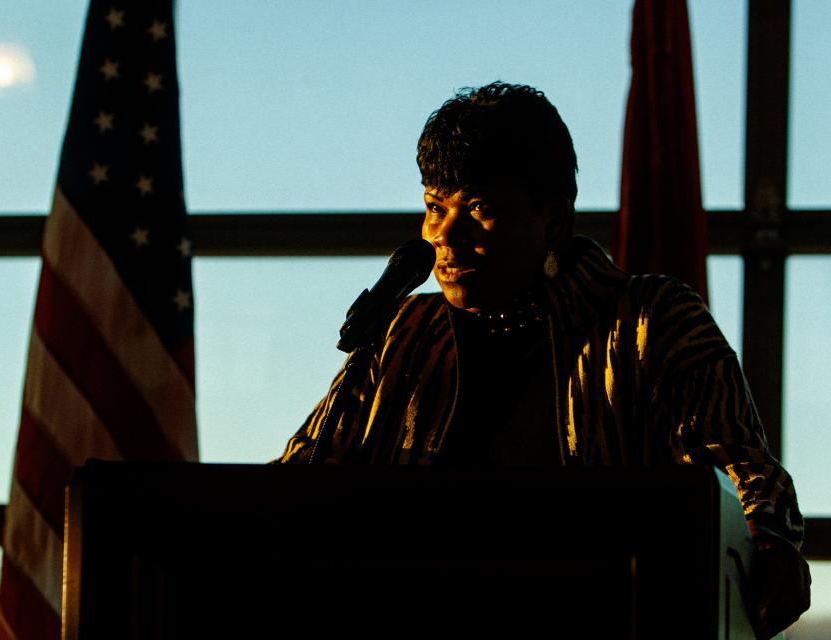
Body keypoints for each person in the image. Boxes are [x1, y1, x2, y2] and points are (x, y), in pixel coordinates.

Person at [273, 82, 810, 636]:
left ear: (552, 220)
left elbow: (737, 473)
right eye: (435, 207)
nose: (445, 237)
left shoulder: (651, 321)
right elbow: (299, 476)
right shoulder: (403, 331)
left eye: (479, 209)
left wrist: (766, 539)